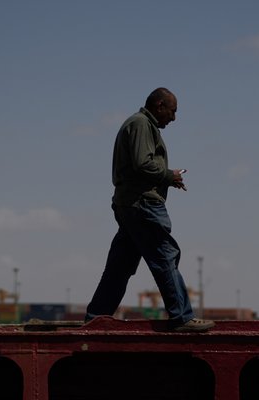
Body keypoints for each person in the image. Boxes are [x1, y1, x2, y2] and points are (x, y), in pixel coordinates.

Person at [84, 88, 214, 331]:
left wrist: (167, 177)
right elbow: (142, 162)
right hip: (142, 204)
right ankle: (182, 317)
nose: (174, 118)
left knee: (120, 266)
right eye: (172, 111)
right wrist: (168, 175)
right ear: (159, 105)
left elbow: (140, 164)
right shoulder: (142, 124)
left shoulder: (139, 124)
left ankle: (95, 319)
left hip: (130, 203)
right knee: (165, 256)